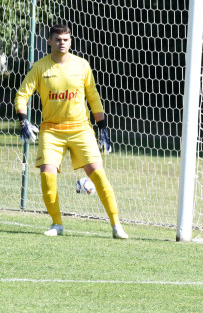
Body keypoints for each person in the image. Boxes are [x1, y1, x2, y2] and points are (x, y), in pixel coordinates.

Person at [15, 23, 128, 239]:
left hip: (81, 129)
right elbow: (22, 95)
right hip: (51, 130)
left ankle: (116, 225)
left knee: (98, 174)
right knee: (47, 174)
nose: (62, 43)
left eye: (65, 39)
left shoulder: (82, 65)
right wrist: (23, 121)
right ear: (49, 41)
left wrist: (103, 130)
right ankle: (57, 223)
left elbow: (94, 98)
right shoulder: (40, 67)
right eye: (57, 39)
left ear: (70, 41)